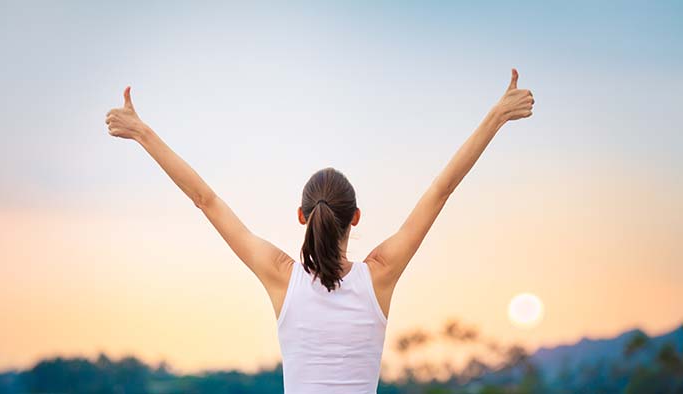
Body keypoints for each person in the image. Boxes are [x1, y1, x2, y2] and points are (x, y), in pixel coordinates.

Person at [104, 68, 534, 393]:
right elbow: (441, 190)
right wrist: (496, 117)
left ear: (301, 216)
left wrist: (142, 132)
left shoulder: (280, 275)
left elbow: (205, 199)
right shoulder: (379, 274)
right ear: (356, 217)